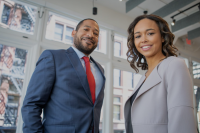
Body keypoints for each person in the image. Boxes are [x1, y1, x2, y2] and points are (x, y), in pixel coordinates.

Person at [21, 18, 106, 133]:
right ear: (73, 33)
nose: (91, 35)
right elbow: (32, 105)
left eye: (96, 33)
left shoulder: (100, 69)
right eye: (86, 29)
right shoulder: (53, 57)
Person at [124, 14, 197, 133]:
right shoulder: (144, 77)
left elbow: (182, 121)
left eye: (150, 33)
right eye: (138, 36)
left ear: (163, 37)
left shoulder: (174, 65)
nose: (143, 40)